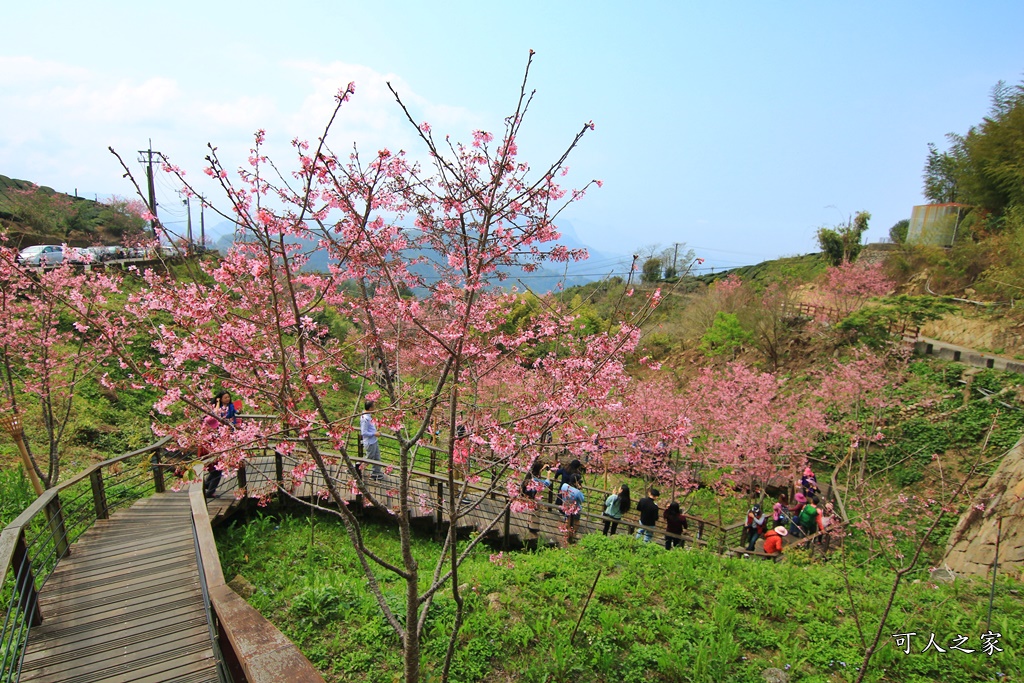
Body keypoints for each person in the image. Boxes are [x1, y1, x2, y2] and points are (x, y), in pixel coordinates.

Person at [203, 391, 237, 499]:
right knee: (216, 470)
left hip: (218, 443)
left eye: (228, 397)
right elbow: (215, 414)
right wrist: (217, 404)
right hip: (213, 445)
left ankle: (206, 486)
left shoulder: (230, 407)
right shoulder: (210, 420)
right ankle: (209, 491)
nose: (227, 399)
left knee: (215, 469)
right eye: (225, 397)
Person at [522, 460, 550, 534]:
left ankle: (529, 524)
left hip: (529, 497)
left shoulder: (530, 476)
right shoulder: (536, 480)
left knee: (530, 511)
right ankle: (533, 528)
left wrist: (542, 468)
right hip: (535, 498)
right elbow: (547, 483)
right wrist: (548, 475)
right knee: (535, 513)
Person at [361, 399, 383, 480]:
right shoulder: (365, 419)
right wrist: (374, 434)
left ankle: (376, 473)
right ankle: (355, 469)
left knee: (377, 458)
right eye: (373, 406)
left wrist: (375, 432)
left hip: (374, 441)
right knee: (369, 459)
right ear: (370, 408)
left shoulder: (368, 416)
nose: (375, 408)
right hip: (370, 442)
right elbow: (364, 432)